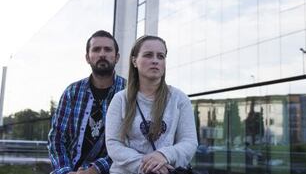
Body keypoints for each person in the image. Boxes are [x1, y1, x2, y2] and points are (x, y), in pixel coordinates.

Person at [105, 35, 198, 174]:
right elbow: (114, 144)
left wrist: (164, 155)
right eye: (148, 55)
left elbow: (189, 142)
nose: (155, 60)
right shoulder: (120, 99)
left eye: (160, 56)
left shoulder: (179, 99)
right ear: (134, 61)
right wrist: (148, 166)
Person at [48, 30, 126, 174]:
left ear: (117, 57)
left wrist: (95, 170)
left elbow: (132, 143)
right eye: (96, 49)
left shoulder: (129, 92)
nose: (102, 54)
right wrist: (65, 171)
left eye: (108, 49)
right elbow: (56, 138)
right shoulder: (72, 92)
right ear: (87, 58)